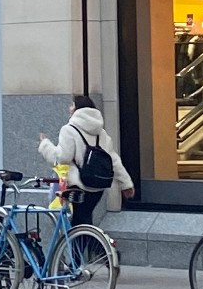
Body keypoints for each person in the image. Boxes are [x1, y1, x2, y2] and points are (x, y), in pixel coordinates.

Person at [38, 97, 133, 226]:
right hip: (98, 186)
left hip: (79, 186)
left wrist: (45, 145)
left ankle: (93, 245)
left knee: (78, 226)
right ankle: (95, 244)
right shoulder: (101, 133)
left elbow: (62, 158)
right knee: (86, 222)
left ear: (77, 109)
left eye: (72, 105)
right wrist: (126, 184)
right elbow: (113, 160)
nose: (69, 108)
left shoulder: (69, 130)